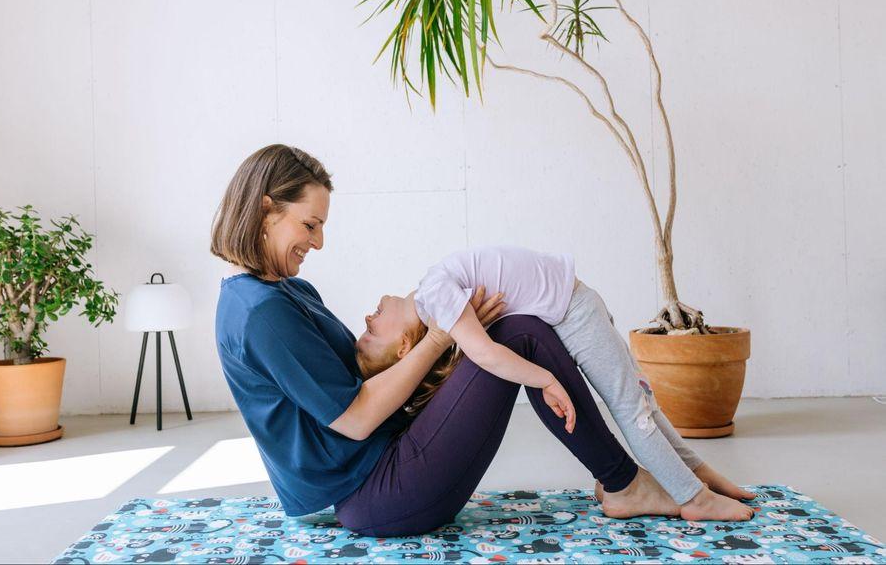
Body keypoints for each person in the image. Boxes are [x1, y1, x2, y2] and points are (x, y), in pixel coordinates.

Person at [210, 144, 736, 537]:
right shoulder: (259, 313)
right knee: (521, 332)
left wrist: (454, 332)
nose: (319, 241)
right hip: (376, 493)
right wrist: (443, 334)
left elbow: (359, 374)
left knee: (513, 329)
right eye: (310, 225)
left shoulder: (285, 291)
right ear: (266, 210)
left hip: (382, 467)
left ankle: (647, 474)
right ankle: (624, 483)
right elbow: (355, 417)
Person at [354, 245, 756, 522]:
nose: (368, 318)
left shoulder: (435, 295)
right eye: (371, 333)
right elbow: (487, 354)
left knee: (642, 403)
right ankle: (694, 498)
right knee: (636, 410)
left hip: (577, 306)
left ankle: (700, 475)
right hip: (575, 313)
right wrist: (544, 378)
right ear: (404, 346)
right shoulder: (436, 296)